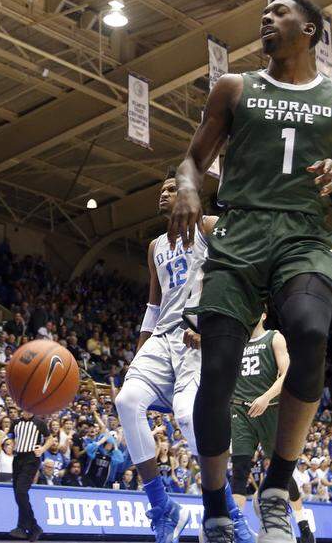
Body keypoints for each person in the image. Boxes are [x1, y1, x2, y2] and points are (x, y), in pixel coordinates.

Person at [168, 0, 332, 543]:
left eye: (281, 12)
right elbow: (192, 160)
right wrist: (187, 188)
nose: (268, 18)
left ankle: (276, 488)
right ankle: (215, 508)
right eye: (266, 12)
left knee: (308, 332)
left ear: (310, 31)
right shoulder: (234, 87)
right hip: (240, 230)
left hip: (303, 235)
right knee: (219, 373)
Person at [115, 168, 223, 543]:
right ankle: (163, 508)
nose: (164, 193)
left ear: (190, 194)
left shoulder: (209, 227)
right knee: (126, 400)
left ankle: (222, 508)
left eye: (172, 188)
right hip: (163, 337)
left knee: (186, 416)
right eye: (161, 189)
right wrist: (140, 349)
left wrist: (208, 323)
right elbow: (153, 304)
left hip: (199, 336)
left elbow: (235, 275)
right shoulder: (155, 246)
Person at [222, 314, 314, 543]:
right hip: (240, 411)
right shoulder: (236, 342)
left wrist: (265, 397)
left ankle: (303, 526)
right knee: (239, 470)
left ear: (263, 315)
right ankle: (235, 530)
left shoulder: (274, 337)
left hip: (270, 408)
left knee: (282, 471)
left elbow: (287, 374)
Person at [11, 411, 54, 541]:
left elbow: (50, 439)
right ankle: (24, 527)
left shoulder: (39, 423)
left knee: (21, 492)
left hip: (31, 458)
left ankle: (32, 526)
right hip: (18, 457)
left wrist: (42, 449)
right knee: (18, 494)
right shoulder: (16, 422)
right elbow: (13, 437)